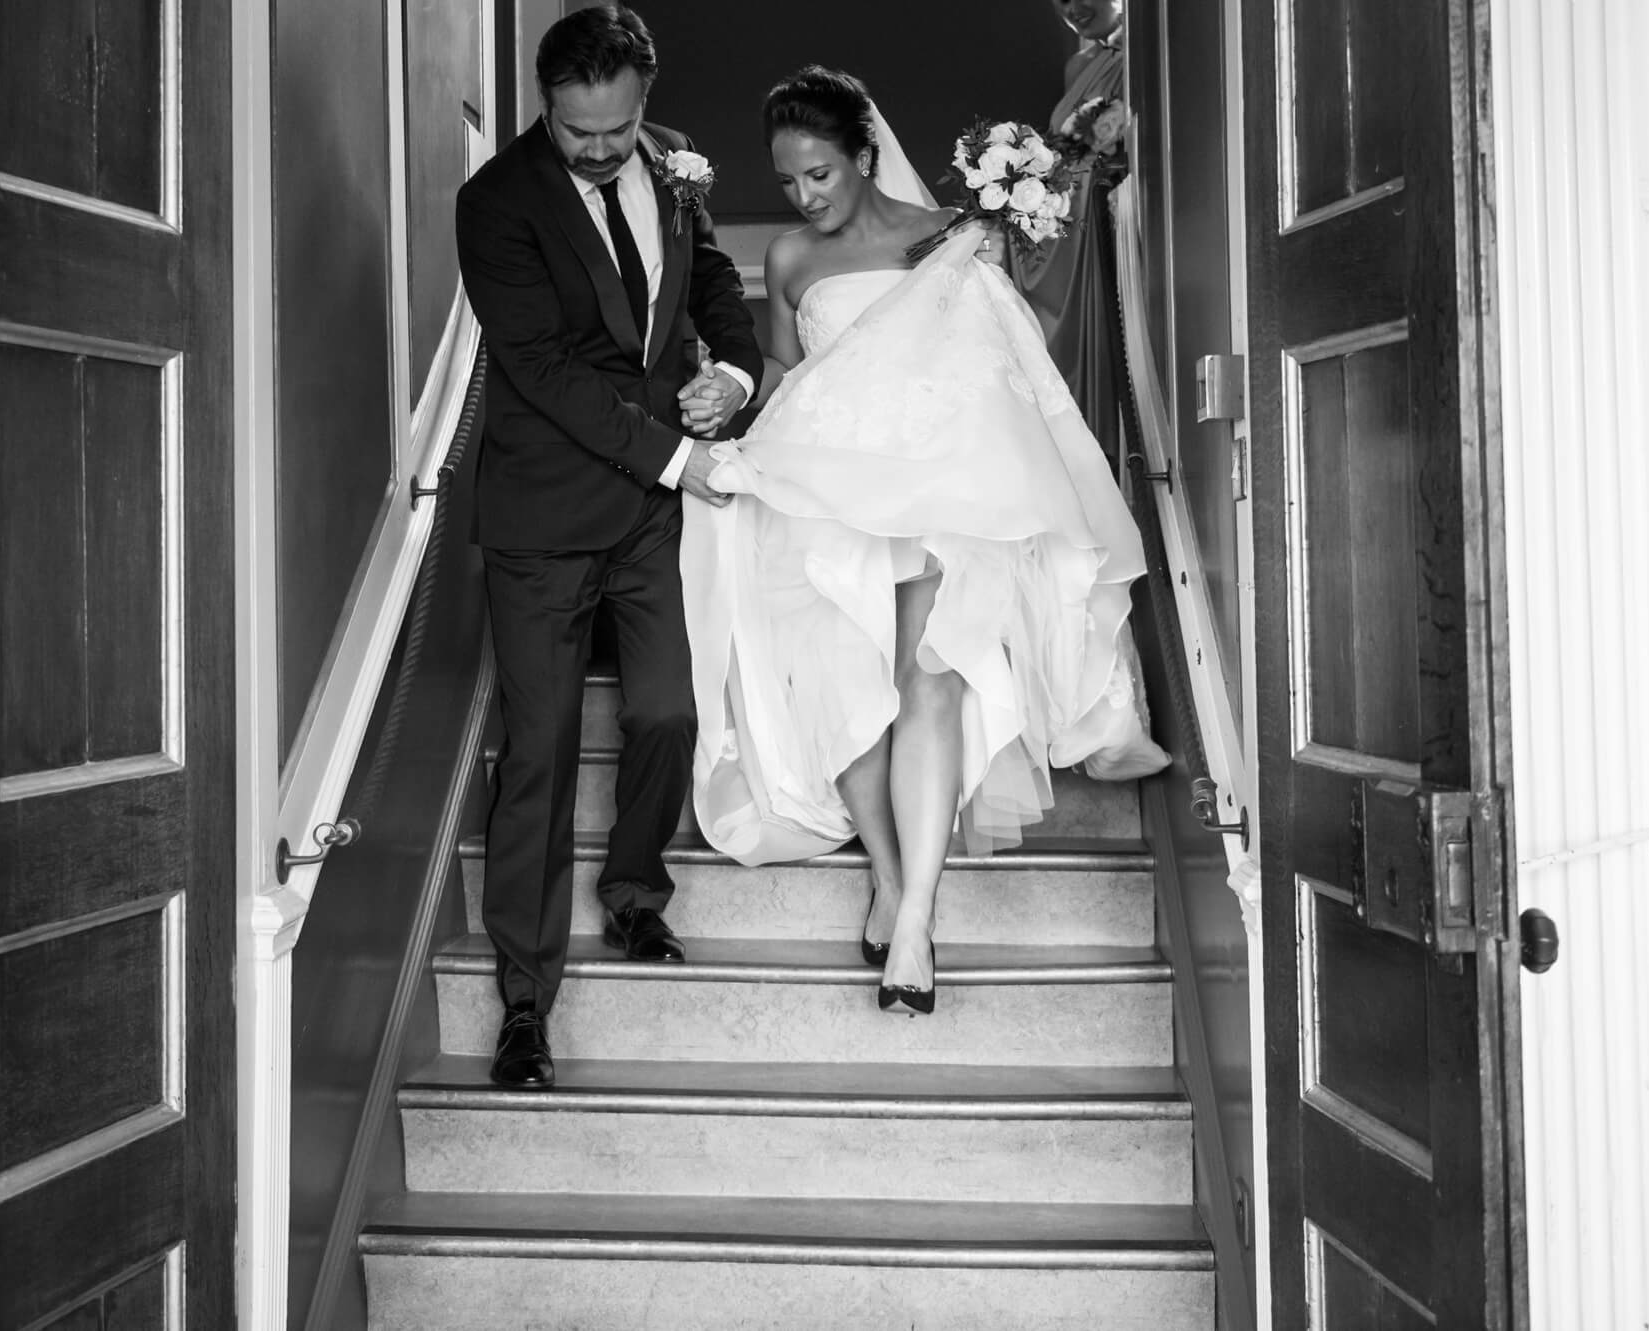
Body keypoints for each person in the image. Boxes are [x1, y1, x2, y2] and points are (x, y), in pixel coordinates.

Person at [677, 67, 1167, 1015]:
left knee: (928, 680)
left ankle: (916, 922)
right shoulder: (785, 259)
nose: (804, 197)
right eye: (788, 181)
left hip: (934, 494)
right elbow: (786, 370)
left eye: (819, 173)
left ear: (864, 157)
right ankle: (890, 877)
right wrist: (731, 414)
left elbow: (1001, 364)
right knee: (839, 676)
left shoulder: (949, 238)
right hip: (827, 498)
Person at [454, 4, 762, 1088]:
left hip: (645, 515)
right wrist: (678, 458)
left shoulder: (677, 162)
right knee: (536, 755)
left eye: (613, 132)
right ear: (547, 103)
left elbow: (714, 284)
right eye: (574, 131)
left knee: (668, 711)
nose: (594, 152)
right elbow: (540, 369)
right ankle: (525, 1002)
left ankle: (633, 893)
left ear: (642, 103)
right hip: (543, 517)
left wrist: (732, 371)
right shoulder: (493, 203)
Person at [1017, 0, 1128, 465]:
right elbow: (1058, 150)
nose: (1074, 8)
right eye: (1060, 0)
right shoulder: (1079, 64)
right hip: (1067, 222)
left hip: (1112, 220)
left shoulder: (1147, 54)